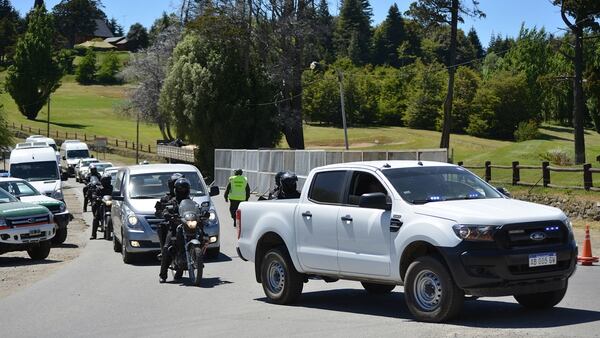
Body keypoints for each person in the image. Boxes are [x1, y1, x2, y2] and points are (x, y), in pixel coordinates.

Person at [159, 177, 191, 283]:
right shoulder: (172, 201)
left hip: (187, 227)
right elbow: (164, 210)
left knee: (201, 234)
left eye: (184, 189)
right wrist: (166, 213)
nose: (183, 191)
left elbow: (194, 210)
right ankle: (163, 274)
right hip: (174, 227)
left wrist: (202, 213)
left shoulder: (189, 201)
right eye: (181, 189)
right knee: (167, 248)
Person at [155, 173, 183, 253]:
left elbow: (194, 208)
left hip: (185, 224)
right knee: (166, 247)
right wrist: (165, 213)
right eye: (178, 186)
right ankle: (164, 258)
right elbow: (158, 212)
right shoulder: (165, 198)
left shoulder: (188, 199)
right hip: (173, 225)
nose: (181, 188)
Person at [90, 173, 113, 240]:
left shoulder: (112, 188)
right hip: (101, 205)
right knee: (96, 217)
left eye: (108, 180)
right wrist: (96, 197)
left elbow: (115, 194)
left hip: (110, 205)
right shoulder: (99, 188)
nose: (108, 182)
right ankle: (93, 234)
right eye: (106, 180)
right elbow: (94, 194)